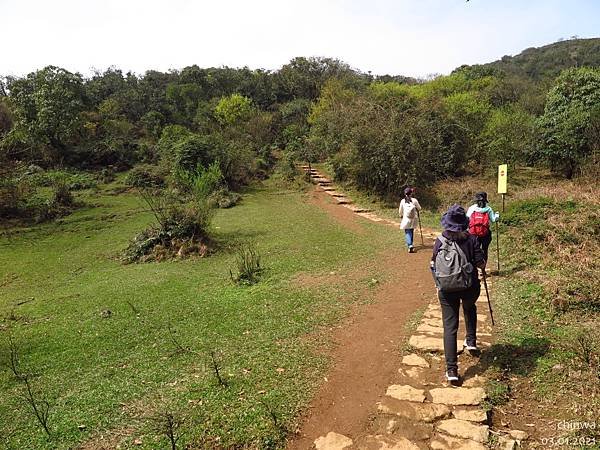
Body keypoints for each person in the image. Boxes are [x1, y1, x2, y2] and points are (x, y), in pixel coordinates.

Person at [431, 204, 486, 382]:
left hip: (446, 289)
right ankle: (470, 341)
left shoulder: (439, 240)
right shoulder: (471, 239)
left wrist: (438, 282)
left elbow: (433, 263)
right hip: (469, 286)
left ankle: (452, 370)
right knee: (469, 308)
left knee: (450, 327)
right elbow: (481, 264)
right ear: (464, 223)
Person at [466, 192, 499, 262]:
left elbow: (467, 219)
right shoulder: (488, 209)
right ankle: (483, 270)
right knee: (485, 250)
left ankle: (474, 268)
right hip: (485, 233)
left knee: (473, 250)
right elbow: (493, 220)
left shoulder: (472, 208)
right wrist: (497, 216)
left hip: (473, 234)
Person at [398, 187, 422, 253]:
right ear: (411, 193)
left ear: (405, 193)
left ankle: (410, 245)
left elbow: (400, 210)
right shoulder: (414, 200)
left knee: (407, 231)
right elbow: (419, 208)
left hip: (406, 219)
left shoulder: (403, 201)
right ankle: (410, 244)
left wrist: (400, 215)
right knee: (411, 230)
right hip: (414, 219)